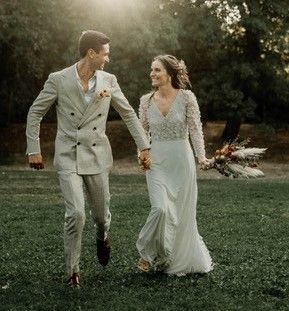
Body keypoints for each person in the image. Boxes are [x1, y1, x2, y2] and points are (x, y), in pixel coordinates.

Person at [26, 30, 151, 288]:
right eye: (105, 53)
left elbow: (128, 114)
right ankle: (73, 271)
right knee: (75, 214)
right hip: (67, 154)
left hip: (96, 155)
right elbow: (35, 112)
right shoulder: (58, 79)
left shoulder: (109, 80)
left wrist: (144, 147)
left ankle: (103, 235)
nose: (108, 58)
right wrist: (33, 148)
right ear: (91, 53)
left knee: (101, 217)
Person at [136, 55, 213, 276]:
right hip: (156, 160)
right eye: (151, 69)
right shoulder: (145, 101)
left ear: (169, 74)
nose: (152, 73)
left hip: (182, 159)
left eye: (157, 70)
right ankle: (146, 253)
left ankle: (172, 258)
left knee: (181, 213)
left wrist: (201, 157)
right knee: (160, 208)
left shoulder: (187, 97)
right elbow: (141, 133)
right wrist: (141, 155)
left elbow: (195, 129)